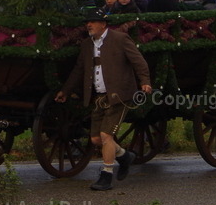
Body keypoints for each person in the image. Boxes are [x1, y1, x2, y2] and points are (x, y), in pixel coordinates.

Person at [55, 11, 153, 191]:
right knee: (95, 139)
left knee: (106, 136)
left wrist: (145, 81)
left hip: (119, 95)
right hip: (99, 97)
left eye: (92, 22)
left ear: (103, 24)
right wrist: (65, 91)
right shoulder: (86, 45)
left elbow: (139, 62)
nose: (89, 25)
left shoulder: (120, 39)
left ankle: (106, 175)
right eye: (87, 22)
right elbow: (79, 70)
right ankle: (124, 156)